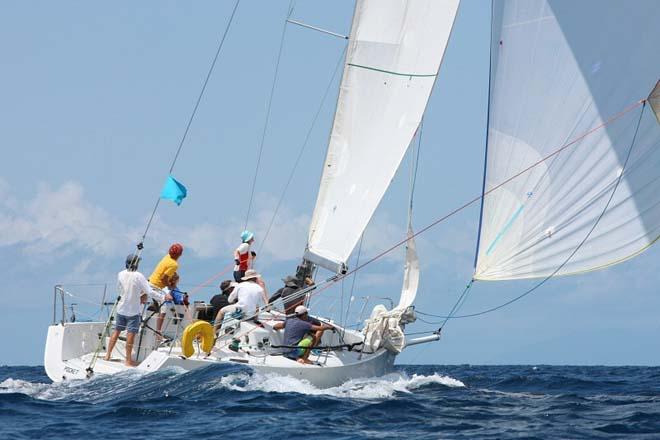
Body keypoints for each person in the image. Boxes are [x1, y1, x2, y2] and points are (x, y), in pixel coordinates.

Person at [105, 254, 172, 366]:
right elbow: (149, 292)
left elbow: (120, 288)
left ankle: (107, 355)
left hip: (121, 308)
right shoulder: (139, 276)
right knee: (130, 336)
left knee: (116, 332)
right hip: (133, 311)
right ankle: (128, 361)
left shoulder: (120, 274)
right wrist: (163, 297)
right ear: (136, 264)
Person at [156, 272, 188, 337]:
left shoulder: (161, 288)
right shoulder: (174, 290)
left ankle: (158, 331)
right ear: (175, 281)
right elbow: (181, 301)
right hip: (170, 313)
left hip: (161, 313)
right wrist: (185, 298)